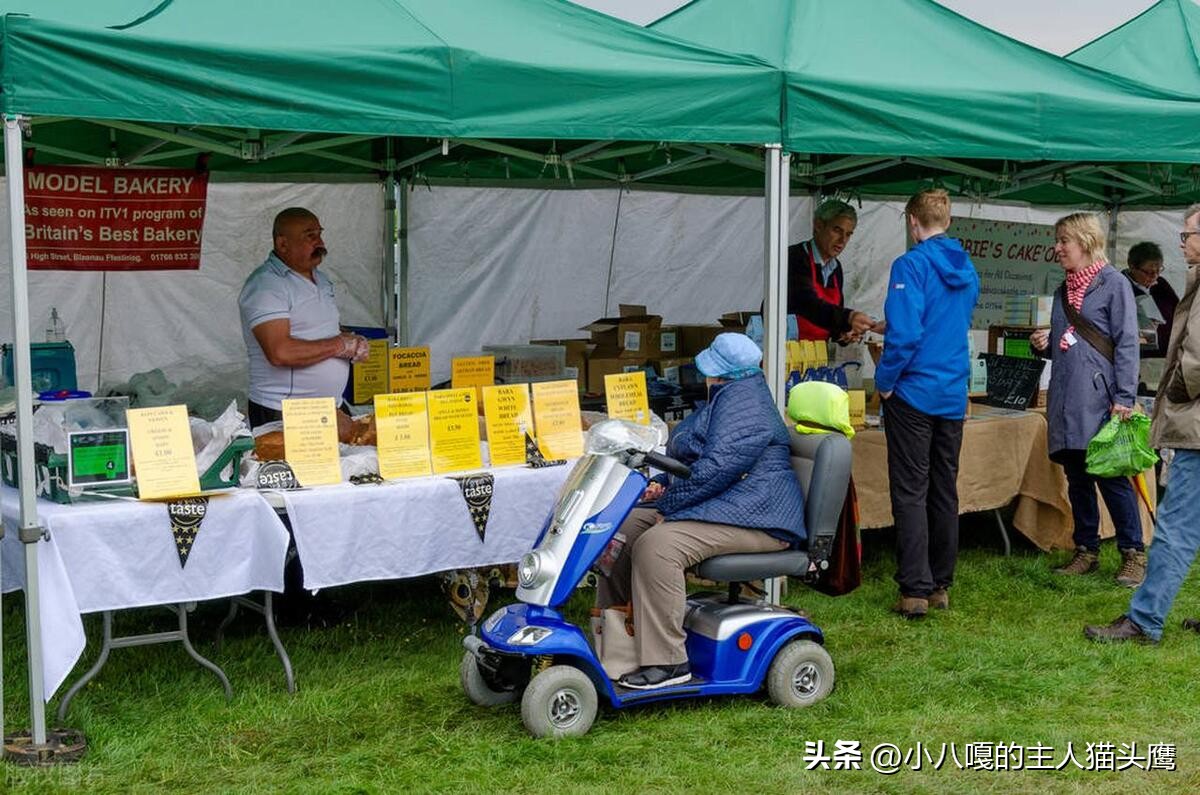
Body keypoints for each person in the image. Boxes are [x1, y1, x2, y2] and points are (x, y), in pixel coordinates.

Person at [595, 333, 806, 689]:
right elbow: (695, 462)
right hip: (733, 505)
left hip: (761, 517)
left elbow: (715, 470)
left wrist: (670, 506)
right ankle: (618, 644)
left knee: (657, 545)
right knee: (621, 527)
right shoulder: (727, 398)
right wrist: (663, 481)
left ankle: (669, 663)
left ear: (720, 372)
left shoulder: (748, 409)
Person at [1085, 204, 1200, 643]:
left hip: (1196, 427)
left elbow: (1196, 360)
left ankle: (1144, 620)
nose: (1183, 243)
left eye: (1187, 234)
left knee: (1175, 526)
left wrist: (1174, 392)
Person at [874, 189, 980, 619]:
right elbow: (951, 323)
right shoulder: (967, 267)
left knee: (911, 490)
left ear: (913, 222)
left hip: (914, 391)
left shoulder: (910, 264)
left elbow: (906, 336)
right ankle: (940, 584)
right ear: (948, 221)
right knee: (943, 489)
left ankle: (914, 590)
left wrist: (884, 381)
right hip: (952, 390)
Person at [1030, 213, 1144, 587]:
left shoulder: (1114, 284)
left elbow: (1127, 344)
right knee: (1077, 477)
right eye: (1057, 240)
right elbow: (1072, 346)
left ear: (1086, 241)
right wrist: (1045, 346)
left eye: (1064, 240)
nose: (1057, 248)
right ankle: (1087, 549)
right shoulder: (1064, 289)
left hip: (1103, 399)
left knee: (1110, 476)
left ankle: (1133, 554)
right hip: (1067, 397)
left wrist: (1125, 398)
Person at [238, 207, 368, 429]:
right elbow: (280, 352)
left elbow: (320, 332)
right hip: (283, 410)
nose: (320, 242)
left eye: (319, 234)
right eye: (310, 236)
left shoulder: (322, 280)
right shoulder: (266, 286)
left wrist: (352, 342)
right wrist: (339, 345)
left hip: (330, 407)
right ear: (282, 244)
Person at [787, 199, 879, 342]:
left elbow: (831, 317)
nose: (842, 240)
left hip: (817, 356)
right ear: (818, 225)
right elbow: (806, 303)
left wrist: (843, 334)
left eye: (848, 234)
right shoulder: (794, 257)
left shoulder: (836, 269)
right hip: (786, 352)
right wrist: (848, 317)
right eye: (837, 230)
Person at [1122, 241, 1179, 357]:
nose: (1154, 276)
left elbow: (1179, 312)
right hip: (1138, 358)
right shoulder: (1121, 288)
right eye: (1149, 272)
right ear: (1132, 266)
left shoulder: (1161, 284)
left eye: (1158, 270)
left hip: (1168, 356)